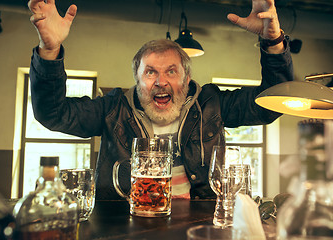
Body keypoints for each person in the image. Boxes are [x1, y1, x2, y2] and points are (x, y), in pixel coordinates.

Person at [28, 0, 293, 200]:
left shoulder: (212, 102)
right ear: (137, 79)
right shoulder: (113, 108)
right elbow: (53, 114)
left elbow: (273, 104)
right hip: (127, 221)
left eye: (171, 71)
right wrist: (50, 51)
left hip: (200, 222)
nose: (160, 81)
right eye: (150, 72)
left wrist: (273, 43)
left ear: (187, 78)